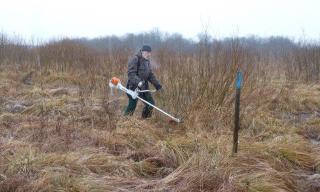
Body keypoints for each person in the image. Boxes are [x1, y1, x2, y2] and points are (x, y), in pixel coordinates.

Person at [124, 45, 162, 118]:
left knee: (150, 104)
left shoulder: (147, 61)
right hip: (133, 87)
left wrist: (158, 85)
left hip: (144, 87)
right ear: (142, 51)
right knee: (132, 105)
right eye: (147, 52)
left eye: (150, 53)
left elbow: (150, 75)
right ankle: (125, 121)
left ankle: (145, 120)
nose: (149, 54)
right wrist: (139, 82)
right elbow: (131, 73)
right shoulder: (135, 59)